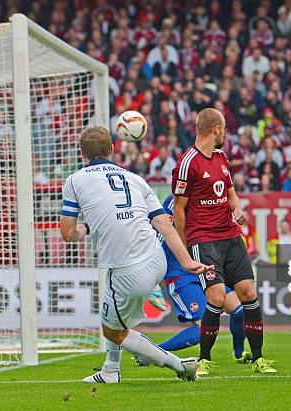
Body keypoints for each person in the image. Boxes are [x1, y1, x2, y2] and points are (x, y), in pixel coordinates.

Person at [59, 125, 212, 384]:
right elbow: (164, 223)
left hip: (127, 267)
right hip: (156, 257)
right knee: (117, 315)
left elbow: (67, 233)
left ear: (82, 154)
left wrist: (83, 231)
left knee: (114, 331)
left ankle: (180, 366)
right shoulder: (135, 178)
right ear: (111, 149)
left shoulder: (75, 180)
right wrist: (186, 261)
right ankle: (110, 370)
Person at [172, 108, 276, 375]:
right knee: (217, 297)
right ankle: (204, 359)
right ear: (216, 129)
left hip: (230, 236)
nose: (225, 132)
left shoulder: (221, 158)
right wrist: (186, 250)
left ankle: (258, 358)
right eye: (224, 127)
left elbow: (231, 194)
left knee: (248, 294)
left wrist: (237, 209)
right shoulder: (187, 163)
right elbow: (178, 210)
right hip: (203, 239)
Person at [135, 195, 252, 365]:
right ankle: (150, 353)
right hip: (181, 275)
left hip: (205, 269)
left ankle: (239, 353)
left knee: (239, 311)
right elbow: (159, 235)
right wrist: (152, 274)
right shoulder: (174, 201)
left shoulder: (208, 198)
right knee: (203, 328)